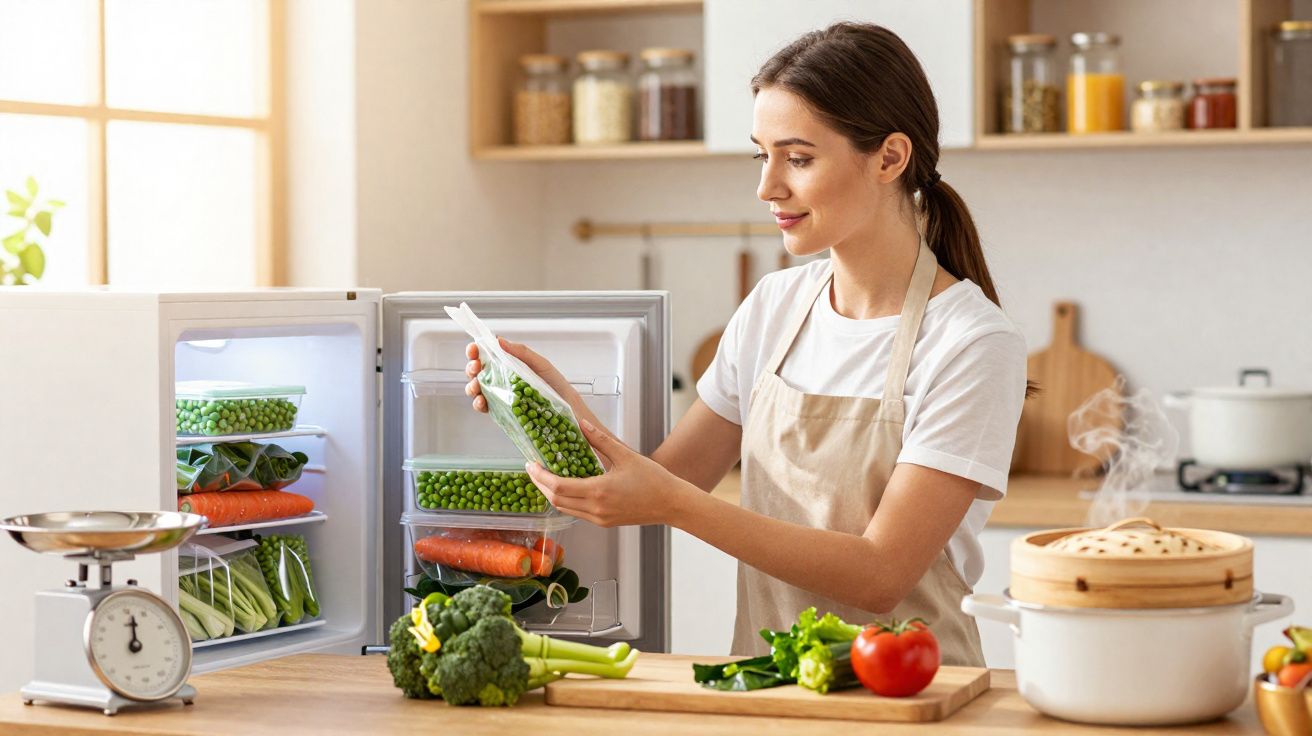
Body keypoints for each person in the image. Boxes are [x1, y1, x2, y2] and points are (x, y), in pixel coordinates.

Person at [465, 22, 1028, 666]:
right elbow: (666, 481)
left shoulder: (971, 342)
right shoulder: (774, 307)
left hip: (911, 697)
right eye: (761, 155)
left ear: (890, 158)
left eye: (799, 158)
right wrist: (550, 405)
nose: (767, 188)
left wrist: (676, 505)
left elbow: (881, 574)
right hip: (766, 684)